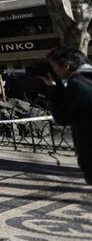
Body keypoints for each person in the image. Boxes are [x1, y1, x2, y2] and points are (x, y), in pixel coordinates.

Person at [42, 47, 92, 184]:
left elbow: (62, 118)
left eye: (53, 66)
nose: (53, 71)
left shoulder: (77, 84)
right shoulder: (87, 78)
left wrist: (53, 89)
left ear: (66, 66)